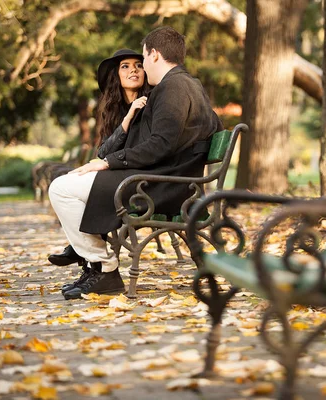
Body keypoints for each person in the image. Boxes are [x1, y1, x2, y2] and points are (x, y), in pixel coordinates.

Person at [48, 26, 223, 300]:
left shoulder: (172, 87)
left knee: (61, 188)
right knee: (68, 184)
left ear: (153, 55)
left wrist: (108, 163)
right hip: (168, 179)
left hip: (162, 186)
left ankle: (104, 268)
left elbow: (160, 145)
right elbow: (211, 126)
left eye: (142, 59)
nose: (140, 70)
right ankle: (94, 263)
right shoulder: (188, 85)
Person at [48, 49, 150, 273]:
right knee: (68, 179)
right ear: (117, 75)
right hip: (120, 174)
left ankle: (88, 253)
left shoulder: (151, 105)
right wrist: (127, 118)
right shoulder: (116, 110)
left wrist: (136, 112)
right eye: (125, 65)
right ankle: (83, 248)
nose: (133, 69)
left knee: (68, 186)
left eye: (138, 65)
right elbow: (104, 150)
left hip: (138, 182)